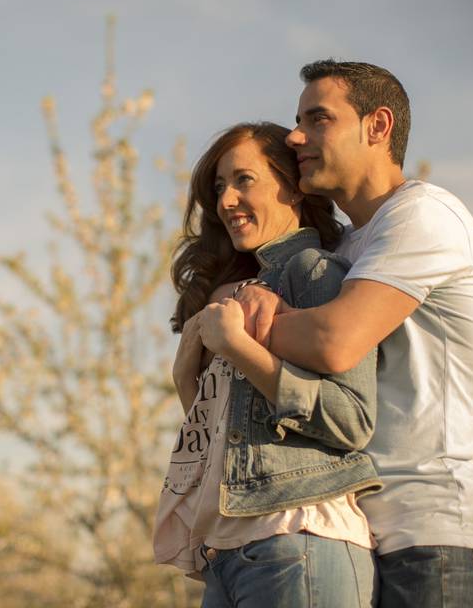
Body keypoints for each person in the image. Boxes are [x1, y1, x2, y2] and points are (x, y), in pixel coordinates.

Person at [235, 61, 473, 606]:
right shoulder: (350, 247)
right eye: (297, 120)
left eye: (319, 118)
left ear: (377, 126)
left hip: (430, 534)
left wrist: (238, 327)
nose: (296, 136)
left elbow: (334, 342)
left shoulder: (424, 216)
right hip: (354, 532)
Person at [153, 122, 382, 607]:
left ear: (292, 187)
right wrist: (185, 380)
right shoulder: (240, 294)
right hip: (229, 552)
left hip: (298, 538)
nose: (226, 201)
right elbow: (230, 438)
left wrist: (239, 347)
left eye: (244, 180)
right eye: (218, 188)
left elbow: (351, 420)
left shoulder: (313, 272)